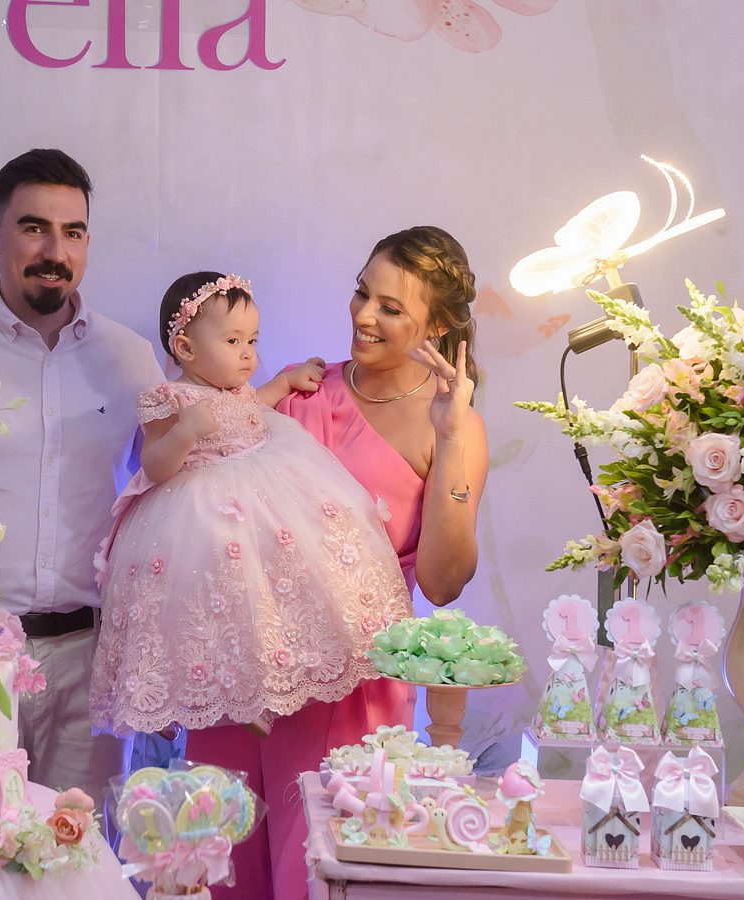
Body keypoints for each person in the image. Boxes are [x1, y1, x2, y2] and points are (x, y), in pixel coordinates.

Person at [186, 227, 488, 900]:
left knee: (316, 875)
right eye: (361, 293)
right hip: (244, 677)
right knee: (215, 868)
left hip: (352, 689)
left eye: (390, 307)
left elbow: (442, 583)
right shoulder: (300, 391)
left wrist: (448, 437)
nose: (363, 315)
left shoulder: (456, 424)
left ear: (438, 327)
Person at [0, 149, 164, 816]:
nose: (55, 252)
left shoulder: (128, 357)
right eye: (33, 228)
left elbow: (177, 486)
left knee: (77, 851)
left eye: (73, 232)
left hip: (91, 660)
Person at [89, 270, 411, 740]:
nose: (247, 353)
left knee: (280, 585)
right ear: (186, 348)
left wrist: (285, 381)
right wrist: (184, 432)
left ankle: (295, 664)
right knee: (219, 598)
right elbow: (154, 464)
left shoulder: (238, 391)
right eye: (233, 341)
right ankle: (231, 692)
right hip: (197, 508)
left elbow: (254, 405)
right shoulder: (168, 398)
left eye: (253, 340)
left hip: (262, 485)